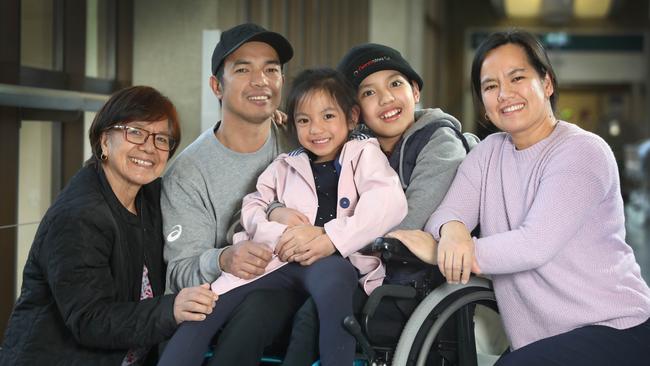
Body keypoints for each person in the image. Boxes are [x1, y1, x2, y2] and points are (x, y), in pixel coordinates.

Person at [397, 29, 650, 365]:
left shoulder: (581, 151)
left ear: (547, 84)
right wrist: (452, 231)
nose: (504, 93)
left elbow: (534, 245)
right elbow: (447, 213)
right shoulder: (488, 152)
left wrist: (443, 252)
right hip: (539, 340)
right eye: (490, 86)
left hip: (613, 326)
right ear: (484, 104)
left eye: (517, 78)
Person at [158, 67, 407, 366]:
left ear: (351, 117)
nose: (316, 129)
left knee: (336, 280)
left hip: (333, 261)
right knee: (208, 304)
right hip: (277, 259)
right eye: (304, 120)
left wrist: (331, 238)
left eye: (328, 117)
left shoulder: (364, 154)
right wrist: (276, 220)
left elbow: (388, 201)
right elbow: (252, 206)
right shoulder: (285, 164)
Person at [269, 43, 478, 364]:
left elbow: (408, 222)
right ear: (354, 111)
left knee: (311, 319)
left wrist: (327, 237)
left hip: (408, 284)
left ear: (416, 91)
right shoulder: (352, 145)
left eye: (395, 83)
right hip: (348, 271)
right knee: (264, 309)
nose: (385, 99)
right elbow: (298, 185)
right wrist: (275, 210)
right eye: (368, 92)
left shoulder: (440, 144)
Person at [0, 86, 218, 366]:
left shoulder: (149, 197)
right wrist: (171, 309)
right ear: (105, 141)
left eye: (161, 138)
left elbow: (202, 193)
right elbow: (91, 320)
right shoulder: (79, 216)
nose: (149, 147)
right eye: (135, 132)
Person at [160, 23, 307, 365]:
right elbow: (179, 270)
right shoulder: (189, 172)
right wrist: (225, 258)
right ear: (217, 86)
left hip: (310, 283)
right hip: (237, 296)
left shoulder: (302, 134)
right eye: (243, 69)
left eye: (271, 69)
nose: (261, 81)